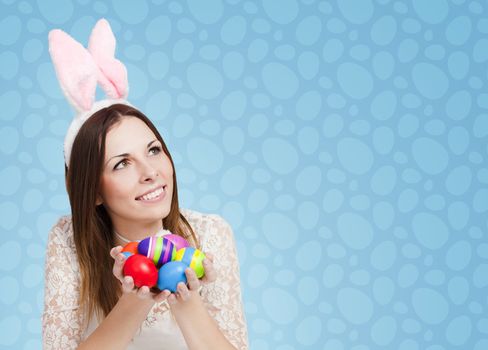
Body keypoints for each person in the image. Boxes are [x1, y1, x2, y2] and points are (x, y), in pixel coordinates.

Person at [42, 19, 248, 349]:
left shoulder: (210, 234)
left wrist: (187, 302)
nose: (150, 171)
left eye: (153, 150)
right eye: (122, 163)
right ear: (94, 191)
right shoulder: (69, 242)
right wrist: (135, 301)